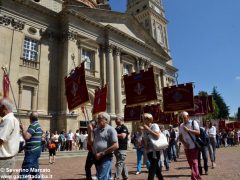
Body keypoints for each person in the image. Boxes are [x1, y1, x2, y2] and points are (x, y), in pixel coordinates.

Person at [88, 112, 118, 180]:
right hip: (96, 156)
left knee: (102, 177)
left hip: (106, 157)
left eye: (99, 118)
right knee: (103, 177)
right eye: (97, 118)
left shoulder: (111, 130)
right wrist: (90, 131)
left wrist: (102, 153)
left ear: (106, 120)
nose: (97, 120)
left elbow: (116, 145)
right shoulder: (96, 130)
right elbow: (90, 143)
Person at [19, 111, 43, 179]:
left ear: (30, 118)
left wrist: (23, 129)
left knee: (24, 171)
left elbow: (27, 137)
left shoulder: (33, 125)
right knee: (35, 171)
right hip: (36, 150)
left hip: (32, 151)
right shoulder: (38, 125)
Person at [0, 98, 20, 177]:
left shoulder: (8, 120)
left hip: (4, 160)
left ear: (4, 107)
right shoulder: (14, 119)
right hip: (9, 159)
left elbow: (0, 139)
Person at [179, 111, 201, 180]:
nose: (183, 119)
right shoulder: (181, 125)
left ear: (188, 116)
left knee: (194, 162)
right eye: (182, 118)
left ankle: (195, 178)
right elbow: (180, 136)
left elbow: (198, 132)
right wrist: (184, 143)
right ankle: (196, 177)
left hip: (194, 145)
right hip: (186, 147)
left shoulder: (193, 123)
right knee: (190, 163)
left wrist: (189, 130)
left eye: (184, 117)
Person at [142, 113, 164, 180]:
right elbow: (145, 140)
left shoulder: (154, 125)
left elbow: (157, 136)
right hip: (149, 151)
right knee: (156, 168)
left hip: (156, 150)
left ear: (148, 120)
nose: (143, 120)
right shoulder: (144, 128)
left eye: (144, 119)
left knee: (152, 168)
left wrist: (148, 129)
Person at [114, 116, 129, 180]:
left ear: (121, 120)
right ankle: (125, 177)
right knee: (122, 162)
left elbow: (123, 136)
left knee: (120, 163)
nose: (115, 121)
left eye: (117, 119)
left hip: (122, 148)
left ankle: (116, 178)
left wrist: (114, 134)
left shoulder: (124, 127)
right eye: (115, 120)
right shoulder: (116, 128)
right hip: (116, 147)